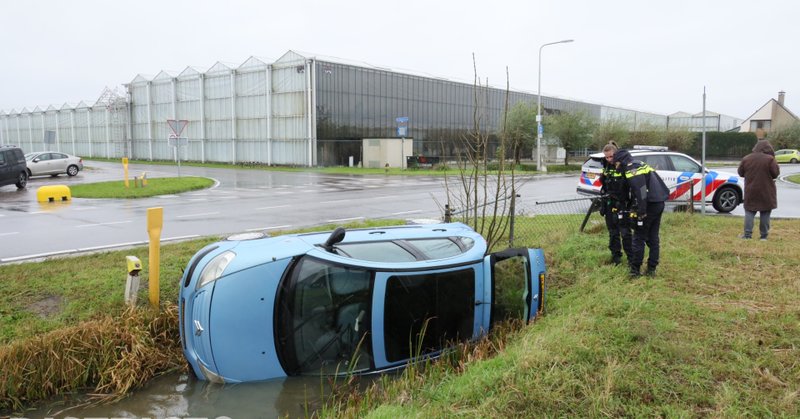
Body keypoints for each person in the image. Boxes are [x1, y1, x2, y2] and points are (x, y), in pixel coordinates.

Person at [612, 148, 670, 277]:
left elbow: (641, 190)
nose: (615, 166)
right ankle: (651, 269)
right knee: (653, 237)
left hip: (648, 205)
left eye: (615, 163)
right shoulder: (639, 164)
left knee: (638, 238)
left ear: (620, 161)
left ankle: (635, 271)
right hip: (658, 202)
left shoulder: (632, 169)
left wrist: (641, 211)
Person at [737, 139, 780, 240]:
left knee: (749, 212)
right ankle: (763, 237)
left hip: (751, 190)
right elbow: (775, 174)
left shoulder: (746, 158)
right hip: (767, 191)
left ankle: (747, 235)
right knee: (765, 212)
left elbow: (740, 172)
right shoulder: (770, 159)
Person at [600, 142, 632, 265]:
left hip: (623, 204)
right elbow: (604, 182)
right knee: (613, 231)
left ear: (616, 154)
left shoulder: (624, 166)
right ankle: (616, 257)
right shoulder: (606, 166)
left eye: (611, 156)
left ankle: (631, 258)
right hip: (609, 202)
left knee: (625, 232)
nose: (609, 159)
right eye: (606, 157)